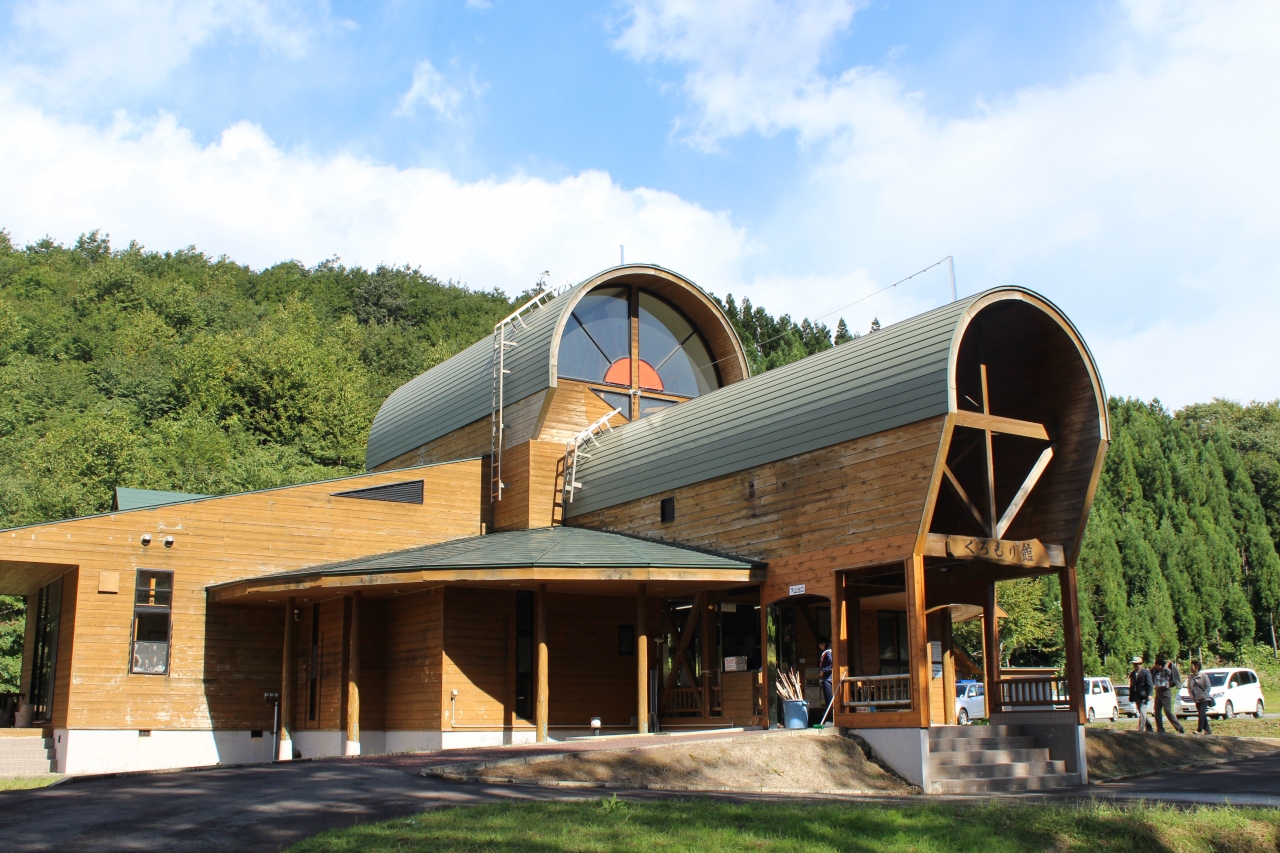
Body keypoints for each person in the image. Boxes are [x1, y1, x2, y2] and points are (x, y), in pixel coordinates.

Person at [1152, 656, 1185, 734]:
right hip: (1158, 691)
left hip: (1166, 692)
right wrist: (1155, 666)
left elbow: (1168, 671)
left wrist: (1166, 665)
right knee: (1157, 711)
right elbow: (1151, 672)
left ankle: (1179, 727)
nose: (1158, 667)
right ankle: (1160, 729)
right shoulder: (1156, 672)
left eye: (1159, 665)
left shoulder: (1166, 671)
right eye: (1157, 666)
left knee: (1167, 711)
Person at [1129, 656, 1153, 732]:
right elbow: (1132, 685)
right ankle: (1149, 728)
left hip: (1144, 696)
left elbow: (1149, 684)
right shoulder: (1132, 673)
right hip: (1136, 696)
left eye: (1138, 664)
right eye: (1134, 664)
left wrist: (1149, 694)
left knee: (1142, 711)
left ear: (1141, 664)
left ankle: (1141, 730)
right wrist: (1131, 696)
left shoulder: (1146, 672)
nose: (1136, 665)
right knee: (1142, 713)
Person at [1188, 660, 1212, 735]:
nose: (1191, 668)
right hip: (1197, 699)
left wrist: (1203, 696)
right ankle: (1208, 731)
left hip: (1204, 699)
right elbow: (1189, 688)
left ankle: (1199, 730)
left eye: (1192, 666)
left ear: (1197, 667)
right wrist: (1192, 697)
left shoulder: (1204, 676)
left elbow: (1208, 687)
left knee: (1201, 713)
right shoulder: (1190, 677)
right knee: (1202, 715)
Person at [817, 637, 833, 712]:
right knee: (827, 700)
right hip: (826, 679)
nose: (819, 646)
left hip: (828, 679)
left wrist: (823, 671)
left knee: (829, 700)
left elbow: (832, 665)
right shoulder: (826, 653)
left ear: (824, 644)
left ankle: (830, 716)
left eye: (820, 644)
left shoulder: (828, 653)